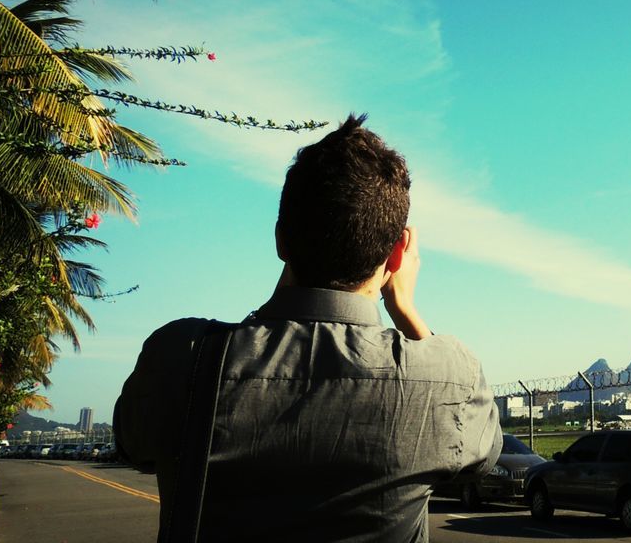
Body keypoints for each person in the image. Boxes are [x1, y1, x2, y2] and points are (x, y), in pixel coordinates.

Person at [116, 114, 501, 543]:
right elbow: (482, 456)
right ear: (397, 255)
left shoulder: (181, 356)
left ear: (281, 239)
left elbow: (133, 445)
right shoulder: (450, 377)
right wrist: (404, 307)